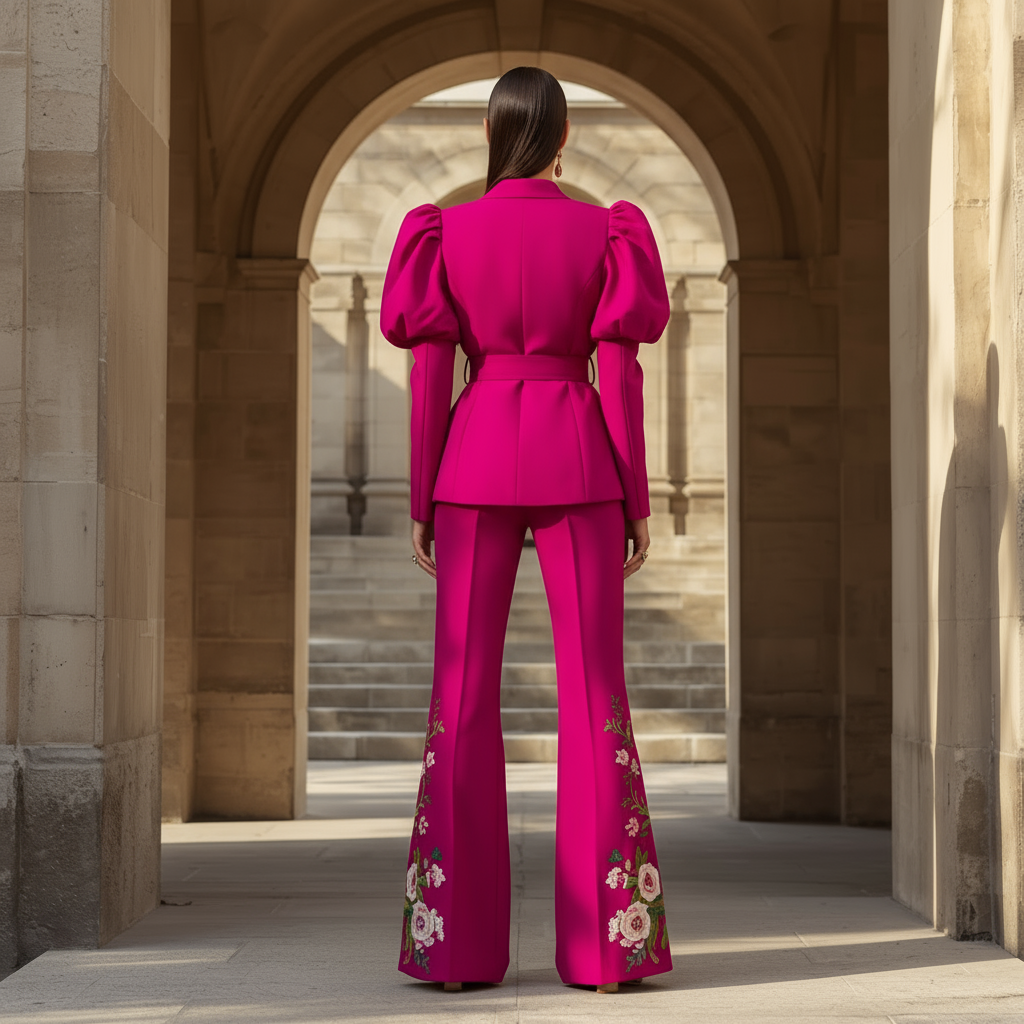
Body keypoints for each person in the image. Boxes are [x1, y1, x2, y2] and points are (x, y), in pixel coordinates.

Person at [380, 66, 672, 994]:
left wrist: (424, 497)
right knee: (596, 695)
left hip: (471, 466)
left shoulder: (441, 232)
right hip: (579, 460)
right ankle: (608, 950)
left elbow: (430, 379)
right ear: (562, 138)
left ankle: (452, 948)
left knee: (459, 695)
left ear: (490, 131)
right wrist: (634, 497)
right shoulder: (608, 231)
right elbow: (620, 379)